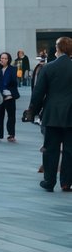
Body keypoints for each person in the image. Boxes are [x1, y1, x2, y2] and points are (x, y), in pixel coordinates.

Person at [30, 36, 72, 192]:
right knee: (70, 150)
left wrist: (32, 111)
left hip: (52, 114)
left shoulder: (48, 68)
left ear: (58, 49)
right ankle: (66, 182)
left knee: (50, 149)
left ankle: (49, 181)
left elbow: (38, 93)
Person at [0, 52, 19, 142]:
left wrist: (6, 85)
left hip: (10, 96)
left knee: (11, 116)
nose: (3, 60)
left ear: (8, 60)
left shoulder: (13, 69)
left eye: (5, 58)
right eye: (2, 58)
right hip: (1, 97)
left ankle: (11, 134)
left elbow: (14, 81)